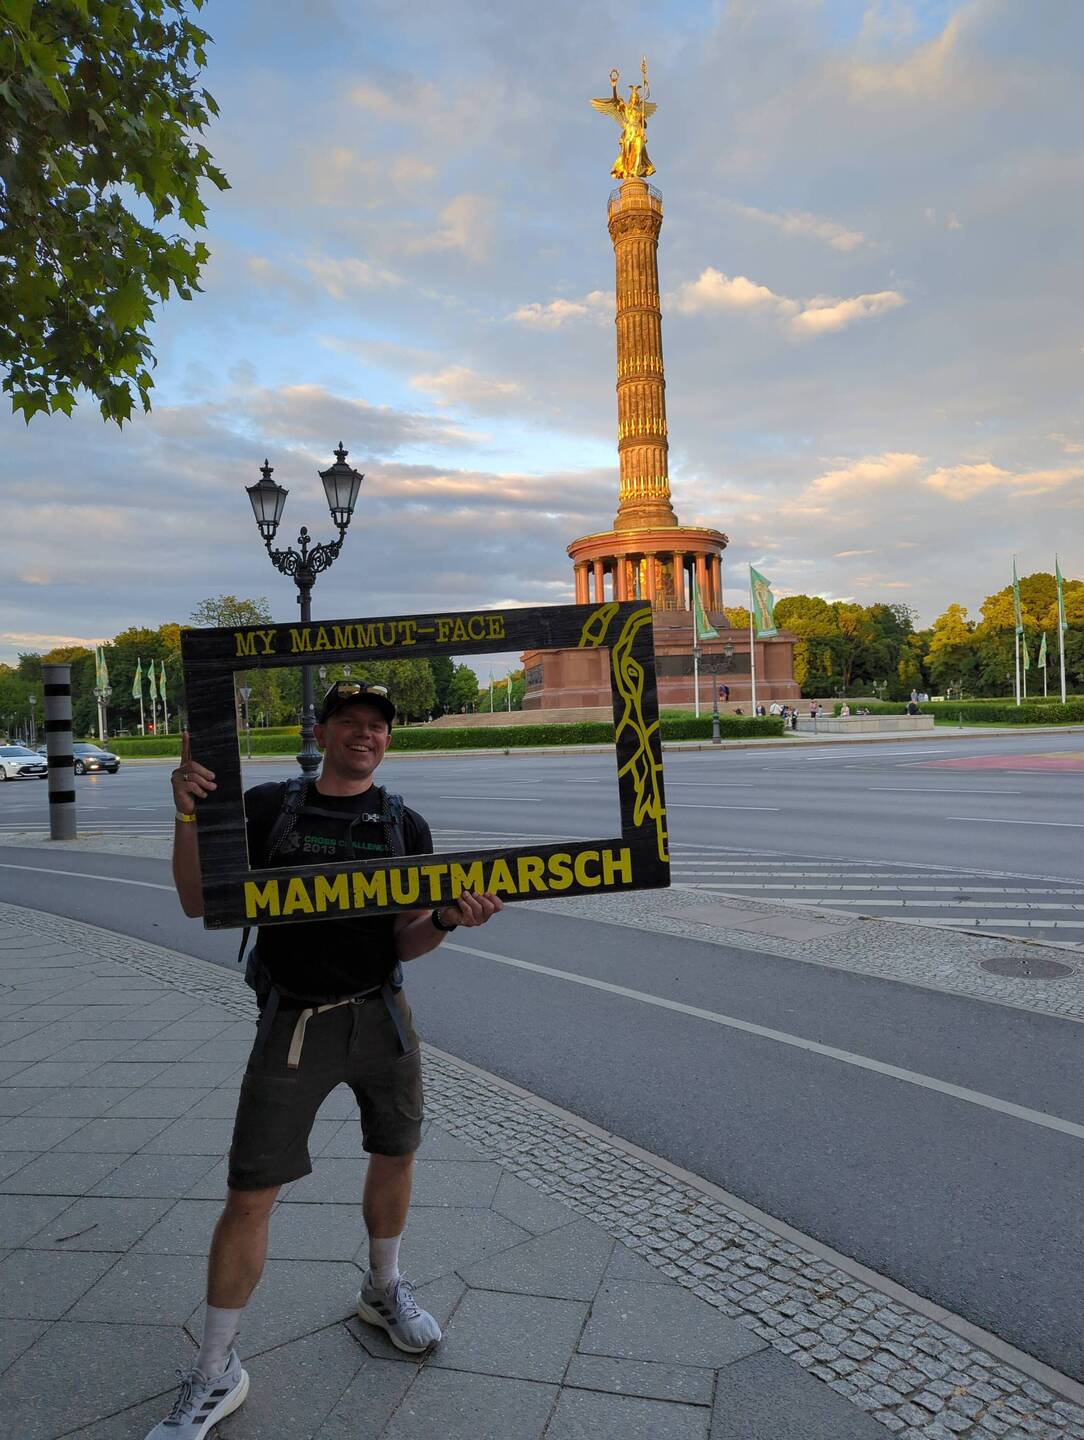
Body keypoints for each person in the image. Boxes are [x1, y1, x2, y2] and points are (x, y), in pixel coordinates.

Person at [149, 680, 502, 1439]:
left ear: (388, 739)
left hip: (382, 1014)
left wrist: (445, 919)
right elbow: (196, 900)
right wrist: (186, 813)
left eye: (377, 725)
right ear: (321, 732)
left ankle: (383, 1288)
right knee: (251, 1192)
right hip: (294, 1020)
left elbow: (407, 938)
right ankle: (215, 1367)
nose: (364, 734)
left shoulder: (404, 823)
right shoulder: (268, 808)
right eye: (349, 721)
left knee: (396, 1153)